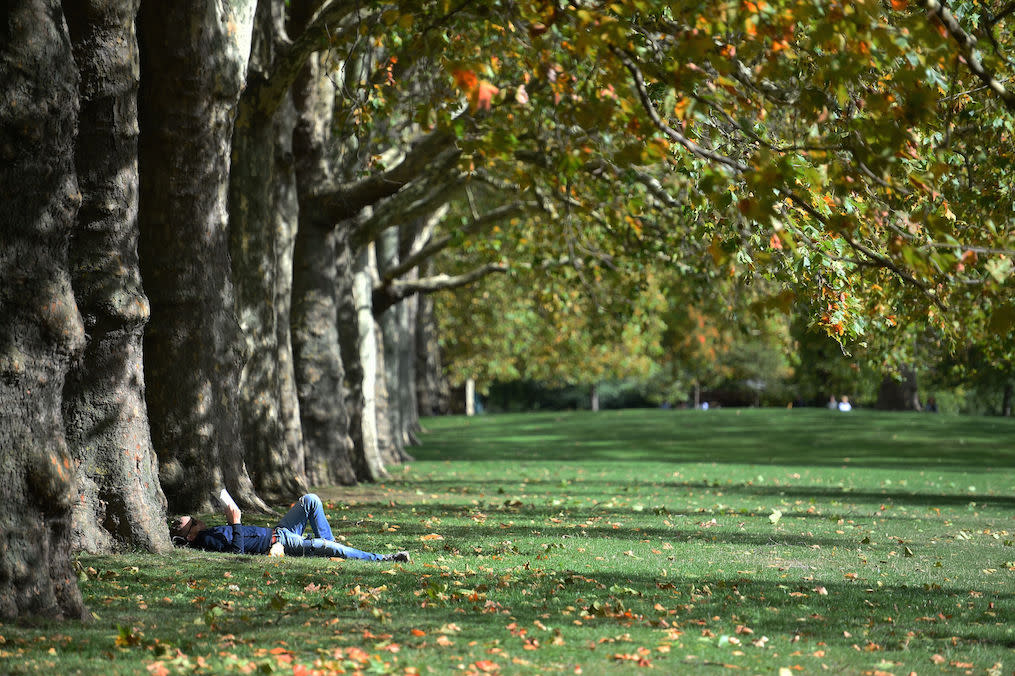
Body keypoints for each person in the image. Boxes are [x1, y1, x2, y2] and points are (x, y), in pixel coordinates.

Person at [171, 493, 410, 562]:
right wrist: (235, 522)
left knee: (311, 500)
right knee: (326, 546)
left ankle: (329, 549)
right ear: (189, 536)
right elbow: (236, 553)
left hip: (282, 530)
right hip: (280, 543)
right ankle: (383, 559)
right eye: (189, 522)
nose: (194, 519)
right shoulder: (205, 542)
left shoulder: (207, 532)